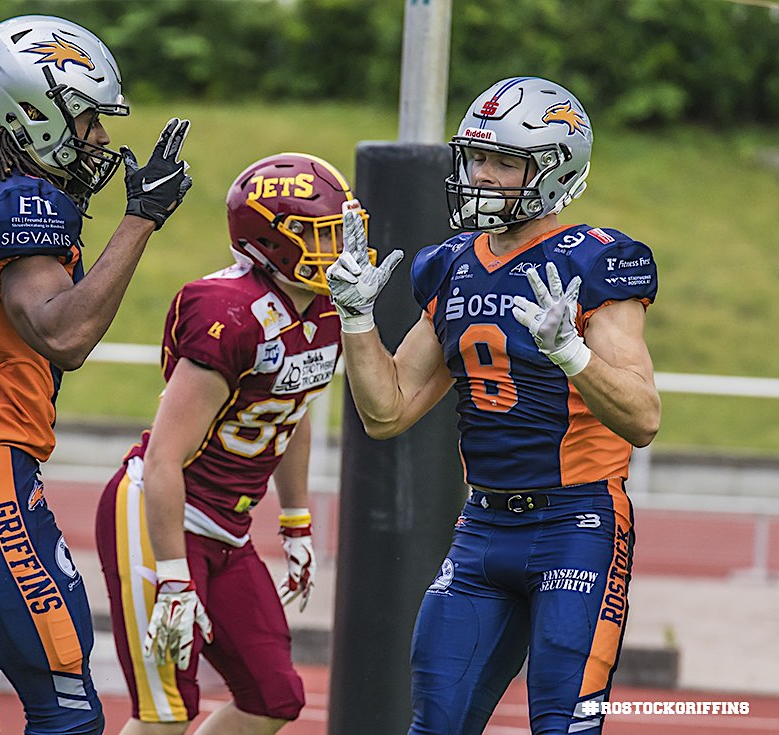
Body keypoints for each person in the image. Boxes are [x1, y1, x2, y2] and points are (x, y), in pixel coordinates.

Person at [0, 15, 193, 735]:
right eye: (87, 120)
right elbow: (65, 332)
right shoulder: (21, 199)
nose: (99, 141)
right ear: (35, 111)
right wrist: (140, 220)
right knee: (68, 712)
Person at [326, 76, 660, 735]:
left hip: (577, 523)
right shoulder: (452, 263)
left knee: (563, 726)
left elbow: (643, 417)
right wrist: (357, 318)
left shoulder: (597, 262)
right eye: (477, 157)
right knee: (436, 722)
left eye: (503, 160)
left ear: (553, 170)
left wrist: (571, 353)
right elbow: (385, 411)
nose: (481, 173)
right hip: (481, 529)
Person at [94, 153, 368, 734]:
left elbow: (292, 409)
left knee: (275, 697)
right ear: (270, 241)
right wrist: (172, 575)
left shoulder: (326, 310)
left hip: (227, 530)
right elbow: (165, 457)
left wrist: (296, 523)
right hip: (161, 517)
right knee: (167, 712)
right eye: (319, 236)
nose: (336, 249)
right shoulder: (228, 312)